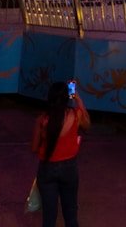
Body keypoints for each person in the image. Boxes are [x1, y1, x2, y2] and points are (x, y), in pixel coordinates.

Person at [30, 80, 91, 227]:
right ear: (67, 98)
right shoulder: (75, 115)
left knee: (49, 216)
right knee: (70, 213)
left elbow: (34, 148)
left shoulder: (42, 120)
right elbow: (87, 125)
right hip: (69, 168)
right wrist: (78, 99)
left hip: (47, 168)